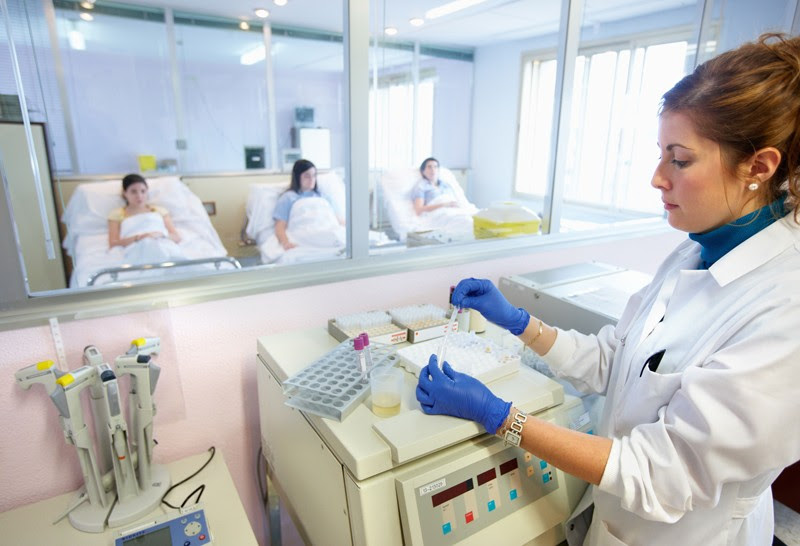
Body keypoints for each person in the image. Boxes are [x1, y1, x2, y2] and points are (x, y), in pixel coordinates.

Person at [416, 33, 800, 545]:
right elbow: (615, 361)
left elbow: (663, 471)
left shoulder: (784, 307)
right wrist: (518, 322)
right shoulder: (694, 252)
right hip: (617, 520)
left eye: (679, 160)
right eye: (661, 154)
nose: (657, 178)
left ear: (759, 167)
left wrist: (499, 416)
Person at [273, 159, 343, 250]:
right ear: (297, 177)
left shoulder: (323, 196)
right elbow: (280, 227)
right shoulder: (288, 198)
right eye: (307, 176)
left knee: (336, 236)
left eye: (314, 175)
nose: (311, 180)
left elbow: (338, 220)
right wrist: (286, 243)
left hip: (327, 229)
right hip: (304, 232)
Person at [108, 173, 181, 249]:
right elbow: (113, 243)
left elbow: (176, 237)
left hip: (162, 243)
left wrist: (159, 235)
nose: (139, 196)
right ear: (124, 193)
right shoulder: (116, 214)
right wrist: (139, 238)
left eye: (143, 191)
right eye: (133, 192)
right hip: (135, 247)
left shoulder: (159, 211)